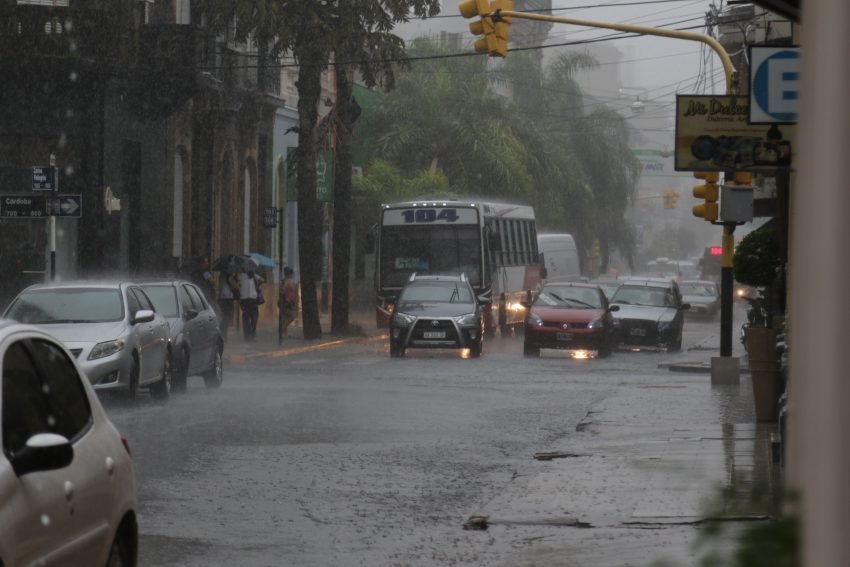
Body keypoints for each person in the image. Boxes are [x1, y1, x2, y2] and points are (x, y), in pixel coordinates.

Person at [238, 270, 263, 340]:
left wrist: (257, 283)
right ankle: (247, 336)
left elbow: (262, 280)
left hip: (252, 299)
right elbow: (238, 284)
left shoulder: (254, 275)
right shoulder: (241, 275)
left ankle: (252, 335)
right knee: (246, 318)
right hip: (244, 299)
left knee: (254, 318)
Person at [217, 271, 238, 341]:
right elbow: (234, 286)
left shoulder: (221, 274)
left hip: (221, 298)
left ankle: (222, 334)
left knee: (224, 316)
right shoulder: (229, 275)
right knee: (226, 317)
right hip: (227, 298)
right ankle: (223, 334)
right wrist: (235, 280)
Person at [279, 266, 297, 344]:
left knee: (285, 317)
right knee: (292, 316)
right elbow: (282, 290)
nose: (292, 275)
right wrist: (287, 298)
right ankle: (283, 328)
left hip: (290, 301)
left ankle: (284, 334)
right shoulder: (286, 281)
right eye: (291, 273)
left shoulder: (288, 280)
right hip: (287, 302)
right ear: (289, 274)